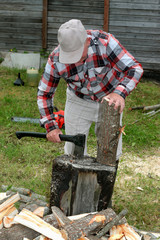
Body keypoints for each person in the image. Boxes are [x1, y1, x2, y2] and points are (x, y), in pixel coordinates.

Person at [37, 19, 143, 158]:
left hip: (110, 100)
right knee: (73, 153)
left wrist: (119, 93)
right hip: (78, 100)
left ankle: (104, 179)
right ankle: (76, 179)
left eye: (79, 56)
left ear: (87, 41)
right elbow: (45, 94)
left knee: (110, 152)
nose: (75, 61)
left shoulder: (105, 43)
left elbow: (134, 69)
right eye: (70, 57)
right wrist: (51, 126)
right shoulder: (55, 59)